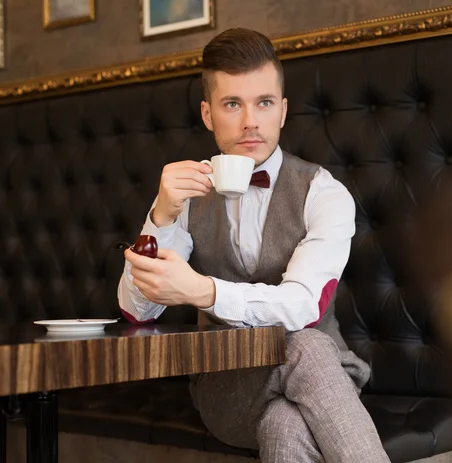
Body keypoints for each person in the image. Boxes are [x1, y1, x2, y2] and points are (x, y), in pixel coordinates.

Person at [117, 28, 390, 462]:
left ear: (282, 111)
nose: (250, 121)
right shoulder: (184, 191)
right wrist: (162, 217)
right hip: (228, 388)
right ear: (207, 114)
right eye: (232, 104)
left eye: (263, 103)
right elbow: (136, 309)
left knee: (286, 420)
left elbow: (305, 308)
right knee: (307, 346)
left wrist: (203, 291)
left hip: (322, 383)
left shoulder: (323, 193)